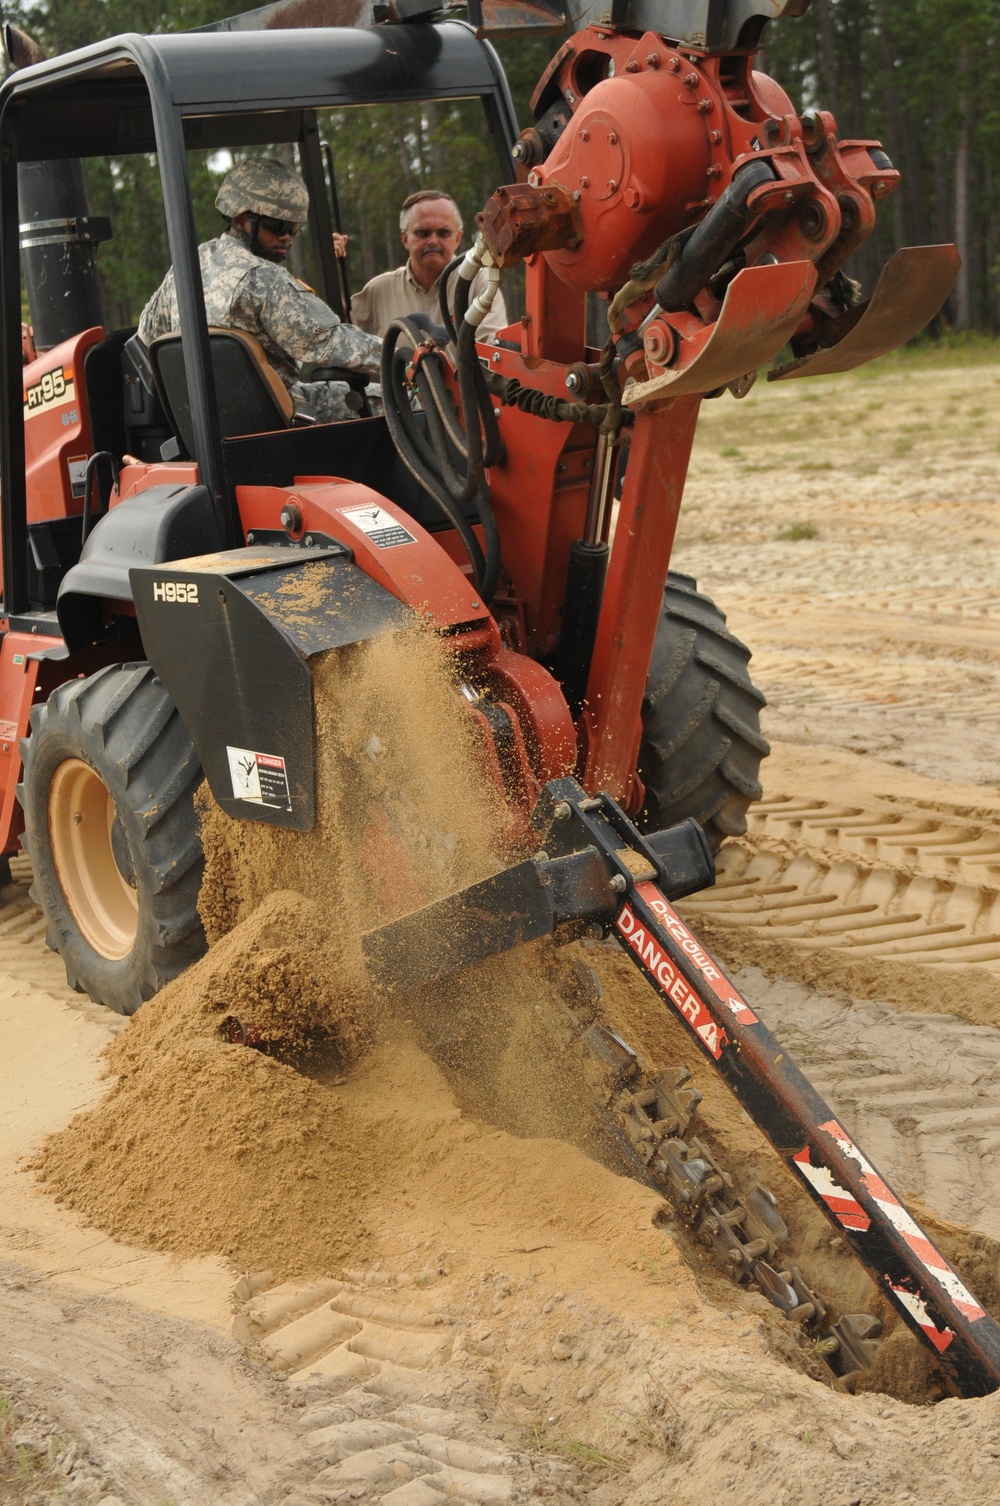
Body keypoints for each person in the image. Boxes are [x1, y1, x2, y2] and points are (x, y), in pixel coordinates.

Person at [137, 158, 382, 424]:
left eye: (294, 227)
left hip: (206, 424)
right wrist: (408, 353)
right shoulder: (261, 278)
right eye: (277, 227)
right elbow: (327, 342)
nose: (287, 237)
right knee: (397, 398)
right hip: (277, 420)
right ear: (241, 219)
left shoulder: (186, 266)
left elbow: (149, 335)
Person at [345, 189, 508, 342]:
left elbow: (494, 357)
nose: (433, 241)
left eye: (443, 233)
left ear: (457, 238)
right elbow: (340, 338)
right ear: (405, 239)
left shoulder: (481, 286)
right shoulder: (378, 291)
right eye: (423, 233)